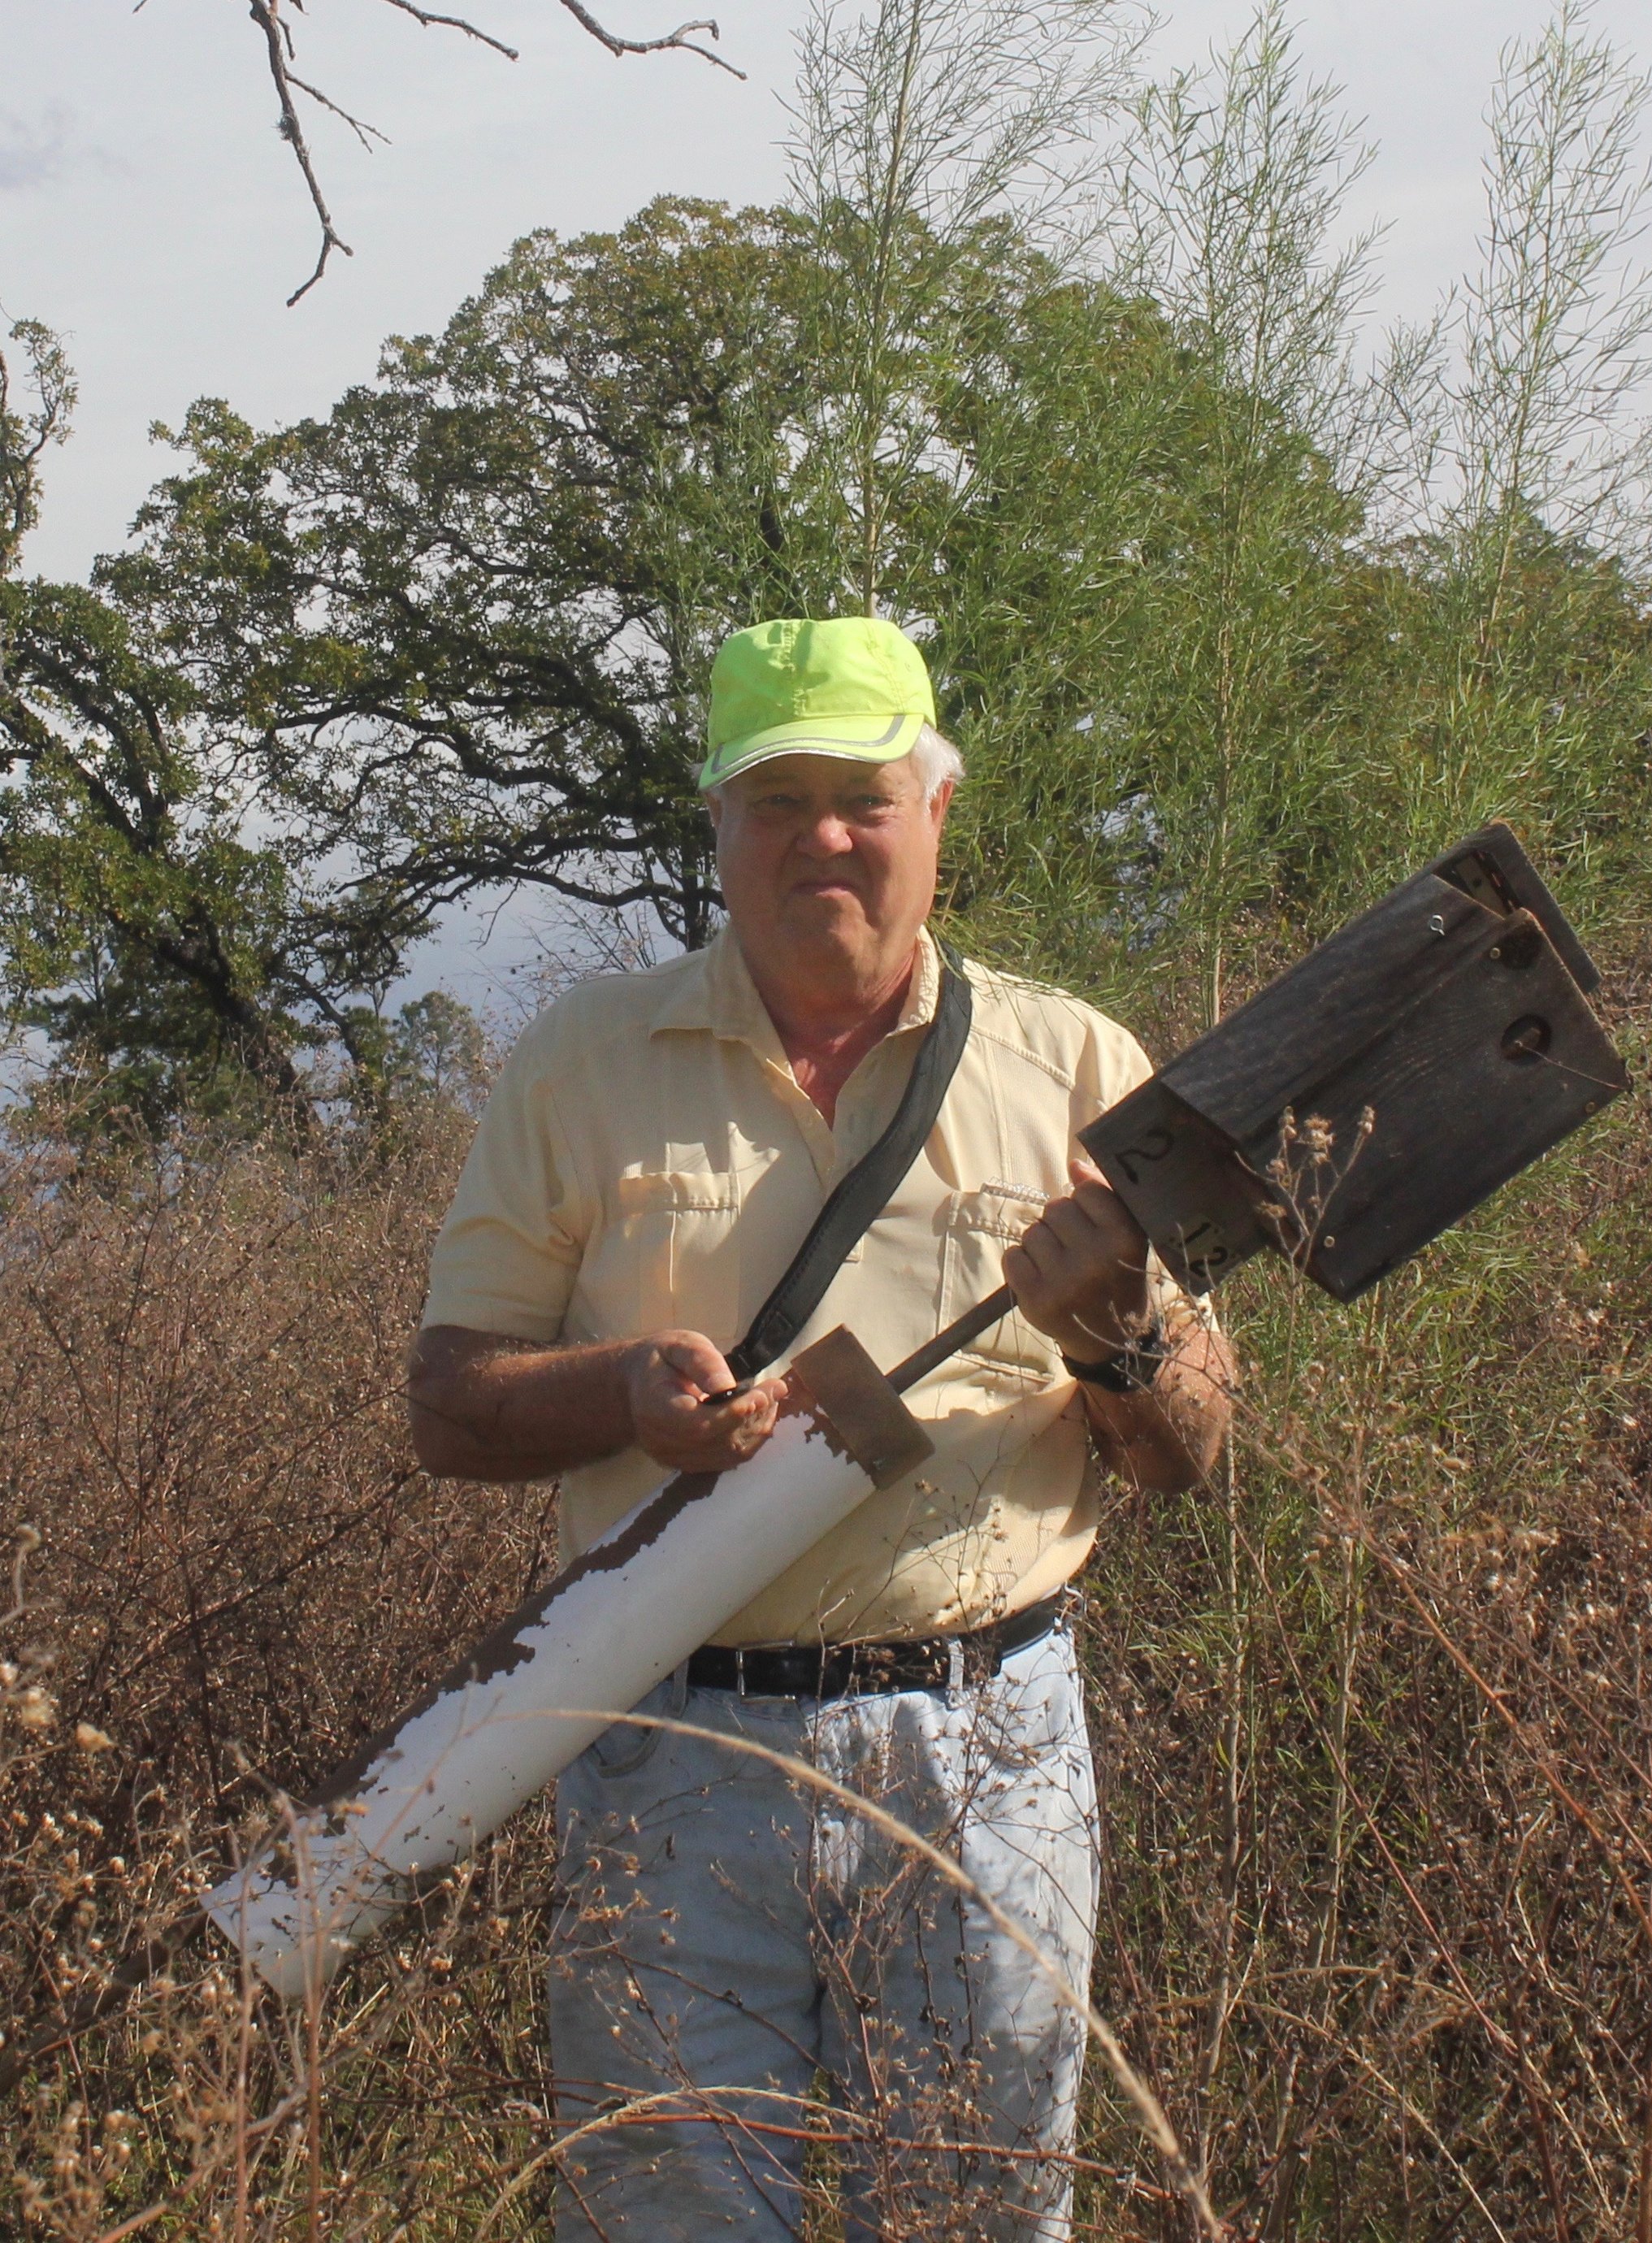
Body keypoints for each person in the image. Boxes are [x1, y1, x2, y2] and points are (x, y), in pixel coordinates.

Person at [406, 615, 1232, 2241]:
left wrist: (1115, 1337)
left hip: (983, 1750)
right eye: (774, 800)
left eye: (858, 794)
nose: (821, 838)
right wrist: (621, 1396)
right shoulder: (581, 1062)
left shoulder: (1073, 1062)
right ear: (715, 825)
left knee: (974, 2217)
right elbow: (447, 1402)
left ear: (935, 805)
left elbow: (1189, 1453)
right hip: (669, 1749)